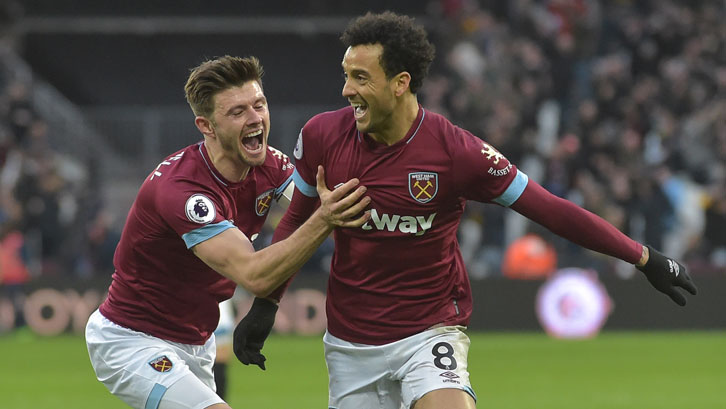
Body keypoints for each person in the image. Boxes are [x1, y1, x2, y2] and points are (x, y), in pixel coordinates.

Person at [233, 12, 698, 409]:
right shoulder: (321, 137)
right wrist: (267, 303)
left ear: (400, 83)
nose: (346, 90)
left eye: (360, 77)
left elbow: (549, 209)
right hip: (352, 343)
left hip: (430, 330)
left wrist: (641, 256)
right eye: (346, 74)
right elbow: (295, 220)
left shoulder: (457, 153)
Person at [84, 55, 371, 409]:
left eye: (259, 104)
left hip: (196, 341)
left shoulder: (270, 165)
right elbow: (256, 274)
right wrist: (326, 218)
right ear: (206, 126)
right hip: (132, 340)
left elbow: (319, 206)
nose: (254, 118)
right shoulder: (184, 191)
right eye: (237, 112)